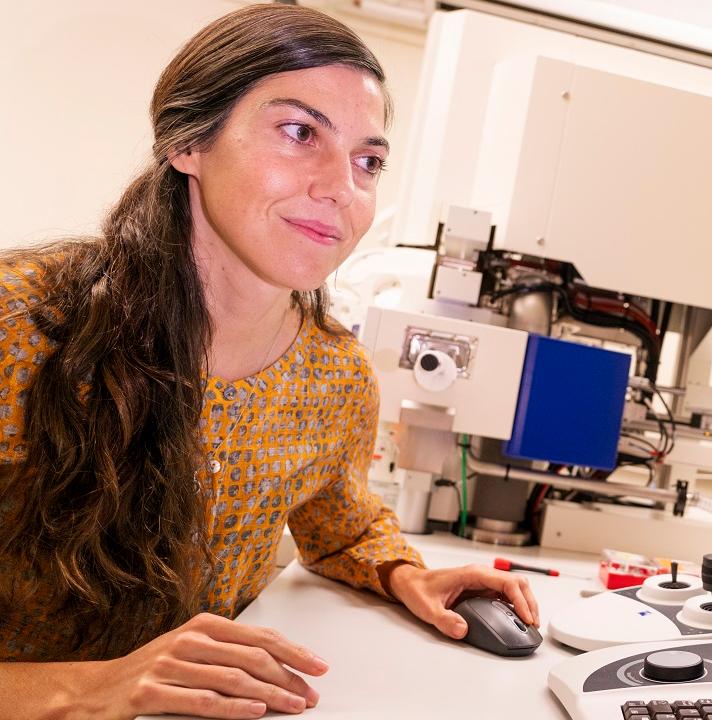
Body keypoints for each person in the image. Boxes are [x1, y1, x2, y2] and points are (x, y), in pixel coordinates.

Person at [0, 5, 538, 718]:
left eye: (367, 161)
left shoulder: (333, 376)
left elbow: (339, 520)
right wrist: (89, 685)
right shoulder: (22, 325)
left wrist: (404, 573)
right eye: (299, 132)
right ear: (188, 141)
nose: (340, 186)